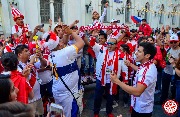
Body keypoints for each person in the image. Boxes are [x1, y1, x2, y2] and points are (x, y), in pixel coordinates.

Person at [43, 25, 84, 117]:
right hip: (69, 95)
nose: (62, 42)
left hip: (57, 92)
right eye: (60, 41)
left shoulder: (51, 55)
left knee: (60, 114)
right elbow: (81, 42)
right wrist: (71, 32)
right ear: (59, 44)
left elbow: (64, 43)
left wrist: (65, 34)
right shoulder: (65, 53)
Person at [111, 42, 157, 117]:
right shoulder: (148, 65)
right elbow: (140, 70)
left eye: (139, 51)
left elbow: (137, 92)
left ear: (147, 55)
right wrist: (130, 64)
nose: (135, 53)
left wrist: (117, 81)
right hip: (141, 106)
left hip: (142, 110)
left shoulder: (147, 71)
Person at [91, 38, 128, 117]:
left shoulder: (120, 55)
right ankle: (96, 112)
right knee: (98, 97)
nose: (109, 45)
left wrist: (125, 79)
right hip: (101, 78)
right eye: (108, 43)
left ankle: (109, 112)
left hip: (112, 80)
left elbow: (124, 68)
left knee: (110, 97)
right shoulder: (102, 49)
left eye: (112, 44)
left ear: (116, 45)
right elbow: (92, 44)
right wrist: (93, 37)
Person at [15, 45, 46, 116]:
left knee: (41, 115)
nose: (29, 52)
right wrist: (31, 62)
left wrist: (40, 58)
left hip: (38, 97)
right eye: (26, 51)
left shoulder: (30, 63)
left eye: (28, 50)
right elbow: (25, 76)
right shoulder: (17, 67)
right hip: (29, 100)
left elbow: (44, 65)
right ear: (19, 55)